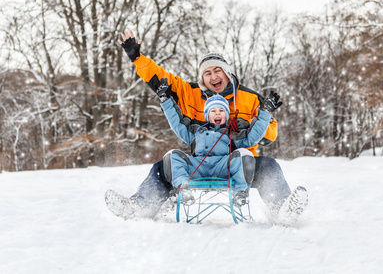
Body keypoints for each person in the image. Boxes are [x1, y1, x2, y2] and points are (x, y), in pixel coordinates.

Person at [105, 30, 308, 224]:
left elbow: (270, 133)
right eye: (207, 73)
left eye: (217, 70)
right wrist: (137, 57)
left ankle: (283, 210)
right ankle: (139, 206)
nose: (213, 77)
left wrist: (250, 125)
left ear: (227, 73)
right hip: (201, 164)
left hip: (239, 166)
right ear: (202, 79)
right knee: (163, 167)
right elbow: (160, 78)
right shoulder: (190, 93)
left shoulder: (250, 98)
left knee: (269, 165)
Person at [160, 93, 279, 206]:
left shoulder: (232, 132)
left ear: (226, 115)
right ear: (207, 115)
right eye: (213, 111)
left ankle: (240, 193)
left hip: (224, 168)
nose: (217, 113)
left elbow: (253, 136)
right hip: (199, 167)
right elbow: (178, 124)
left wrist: (264, 113)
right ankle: (182, 189)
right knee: (172, 155)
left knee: (244, 153)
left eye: (221, 110)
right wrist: (166, 102)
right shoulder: (196, 131)